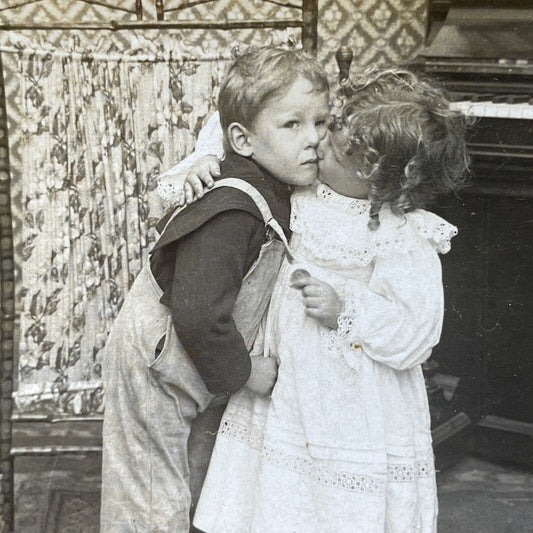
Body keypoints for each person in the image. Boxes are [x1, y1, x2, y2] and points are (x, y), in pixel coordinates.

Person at [161, 67, 470, 532]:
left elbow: (417, 334)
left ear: (382, 180)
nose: (318, 143)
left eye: (337, 147)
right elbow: (248, 121)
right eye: (331, 126)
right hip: (285, 385)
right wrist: (205, 156)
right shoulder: (301, 186)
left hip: (349, 401)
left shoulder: (403, 235)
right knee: (268, 498)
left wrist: (346, 309)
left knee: (332, 505)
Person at [100, 46, 330, 533]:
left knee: (191, 478)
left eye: (321, 123)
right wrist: (246, 372)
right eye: (292, 125)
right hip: (156, 361)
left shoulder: (270, 186)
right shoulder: (232, 207)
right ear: (242, 140)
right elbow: (199, 312)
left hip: (188, 361)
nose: (313, 140)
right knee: (149, 492)